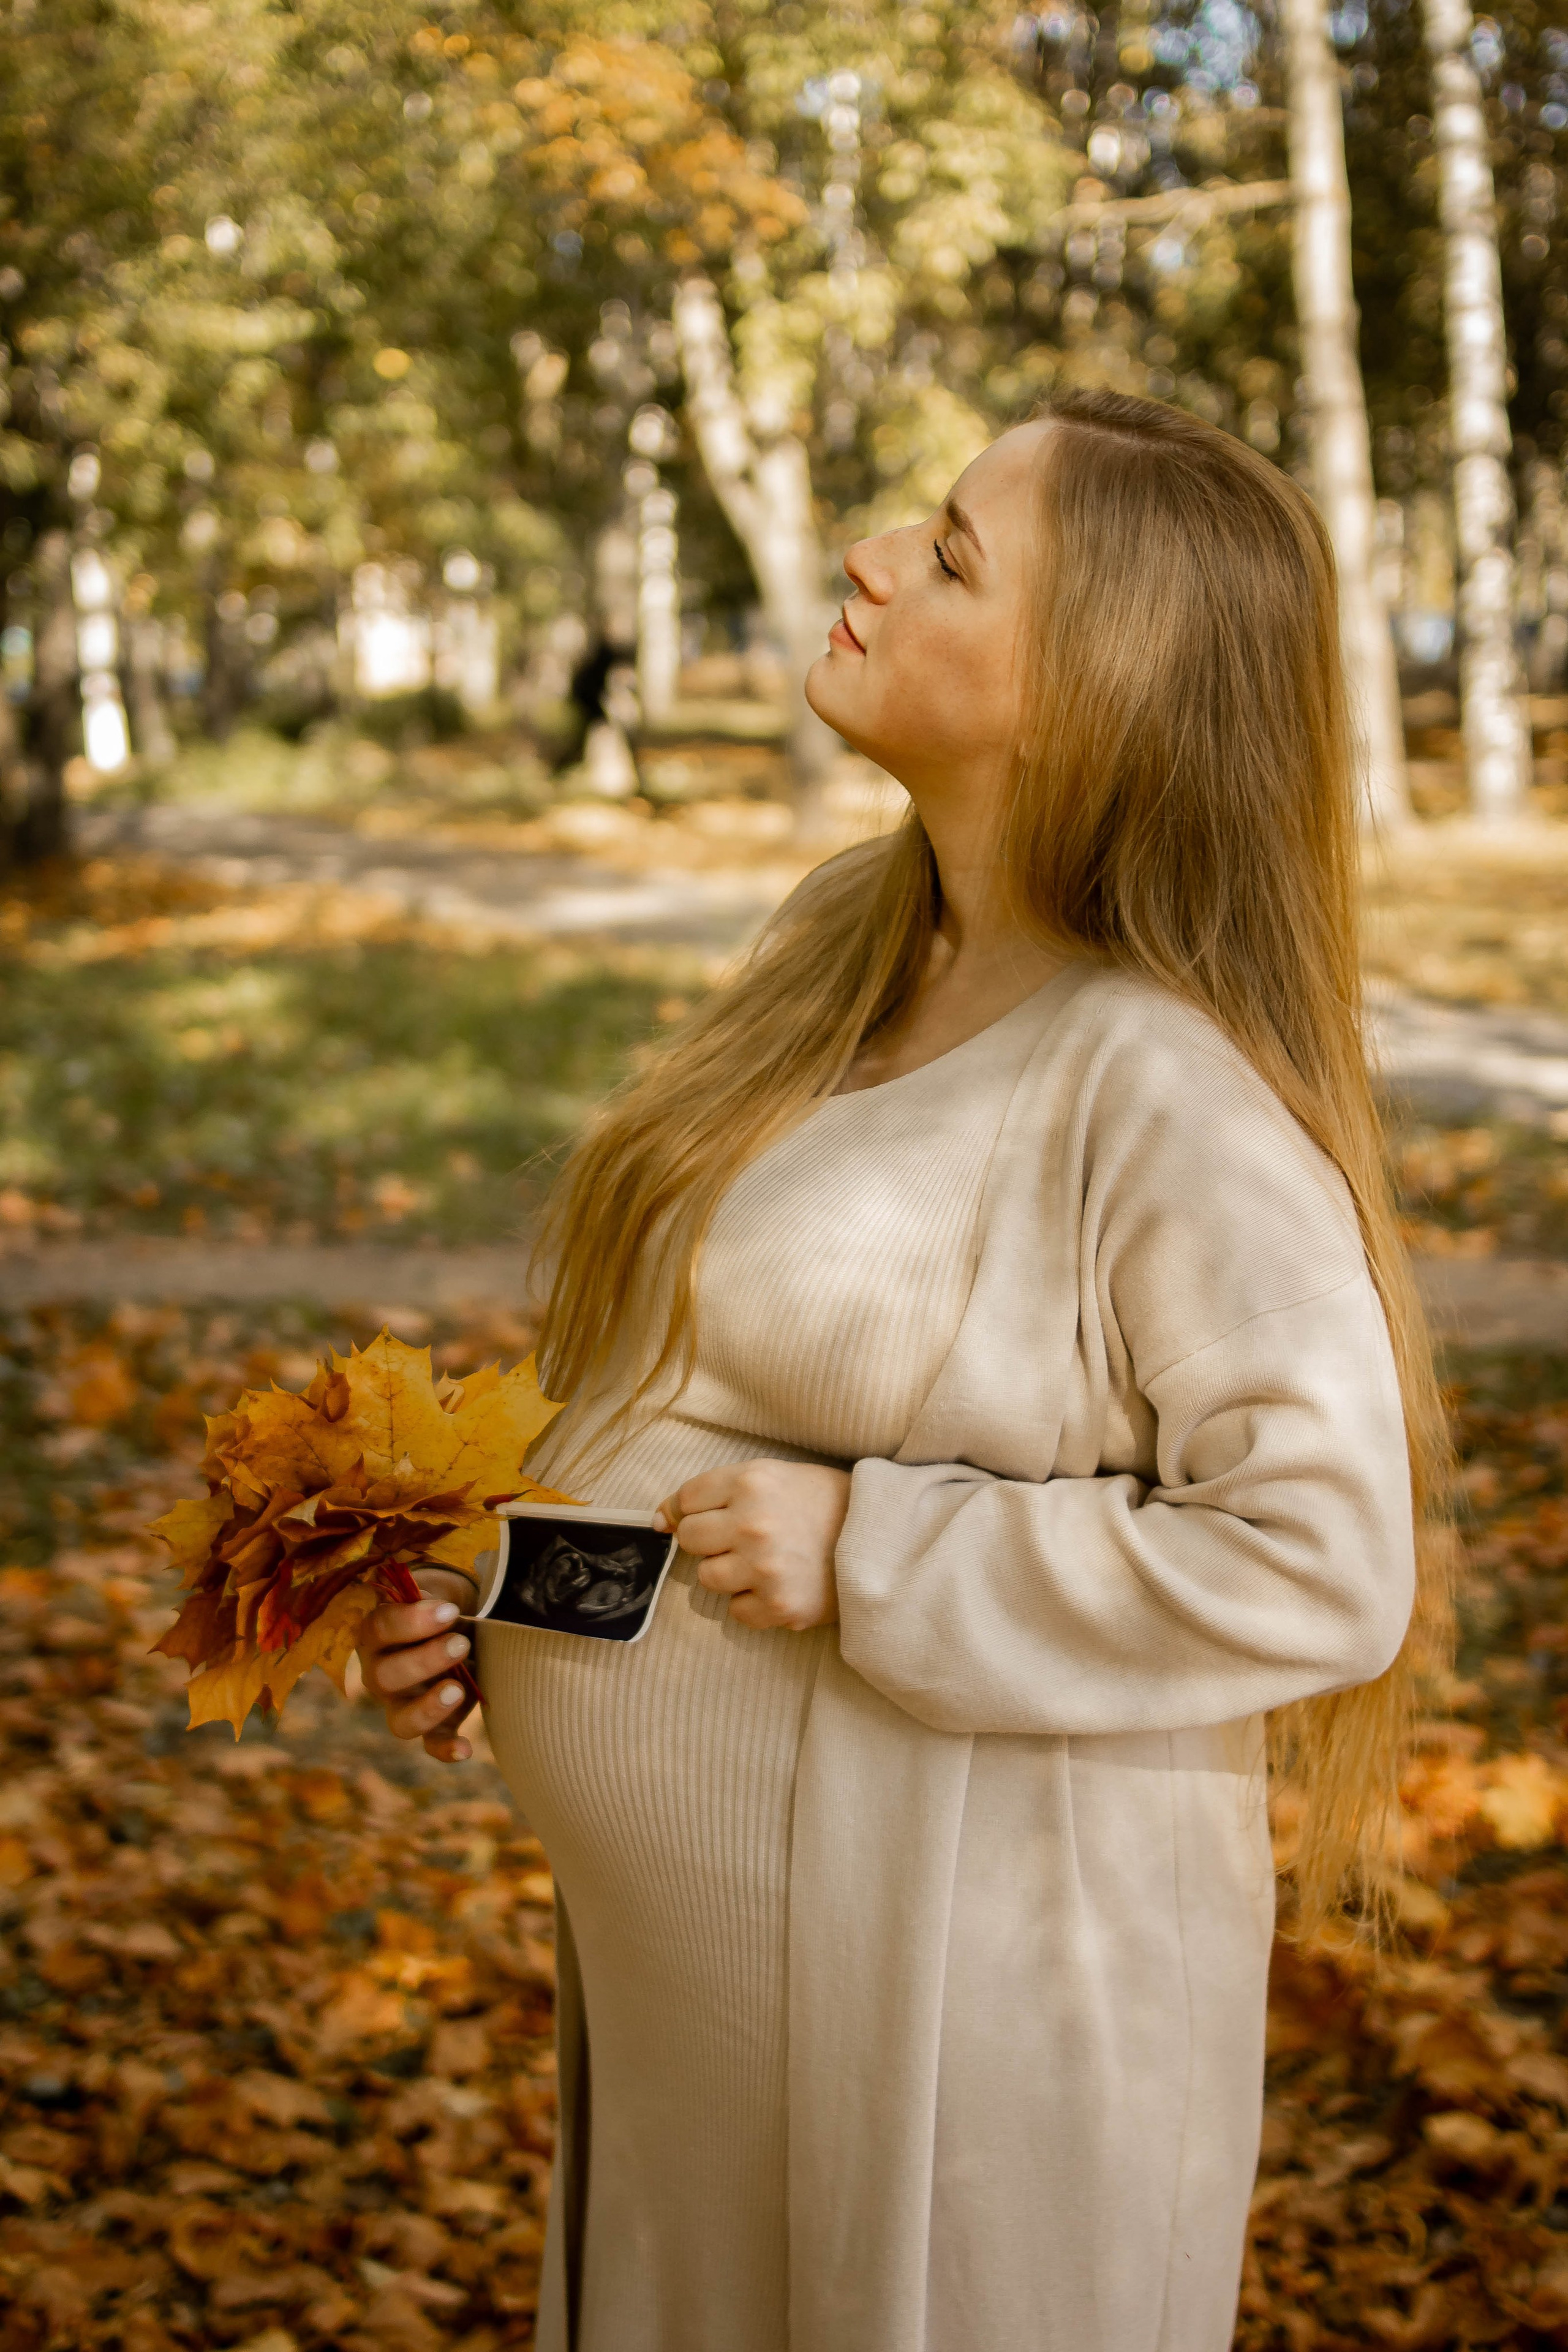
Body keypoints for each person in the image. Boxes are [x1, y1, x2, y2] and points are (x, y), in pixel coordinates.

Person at [356, 391, 1444, 2352]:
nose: (870, 558)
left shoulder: (1161, 1085)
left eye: (950, 553)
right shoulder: (848, 943)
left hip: (956, 2018)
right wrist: (499, 1590)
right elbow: (685, 1409)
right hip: (714, 2027)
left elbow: (1326, 1559)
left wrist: (884, 1555)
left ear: (1103, 681)